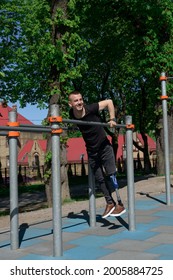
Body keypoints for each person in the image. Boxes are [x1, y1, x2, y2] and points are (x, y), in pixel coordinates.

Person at [68, 90, 126, 218]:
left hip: (104, 146)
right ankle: (110, 203)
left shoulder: (90, 108)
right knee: (99, 178)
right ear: (70, 104)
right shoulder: (71, 113)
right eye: (76, 100)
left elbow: (109, 102)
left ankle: (120, 204)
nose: (79, 102)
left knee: (111, 174)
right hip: (91, 150)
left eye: (81, 99)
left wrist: (112, 119)